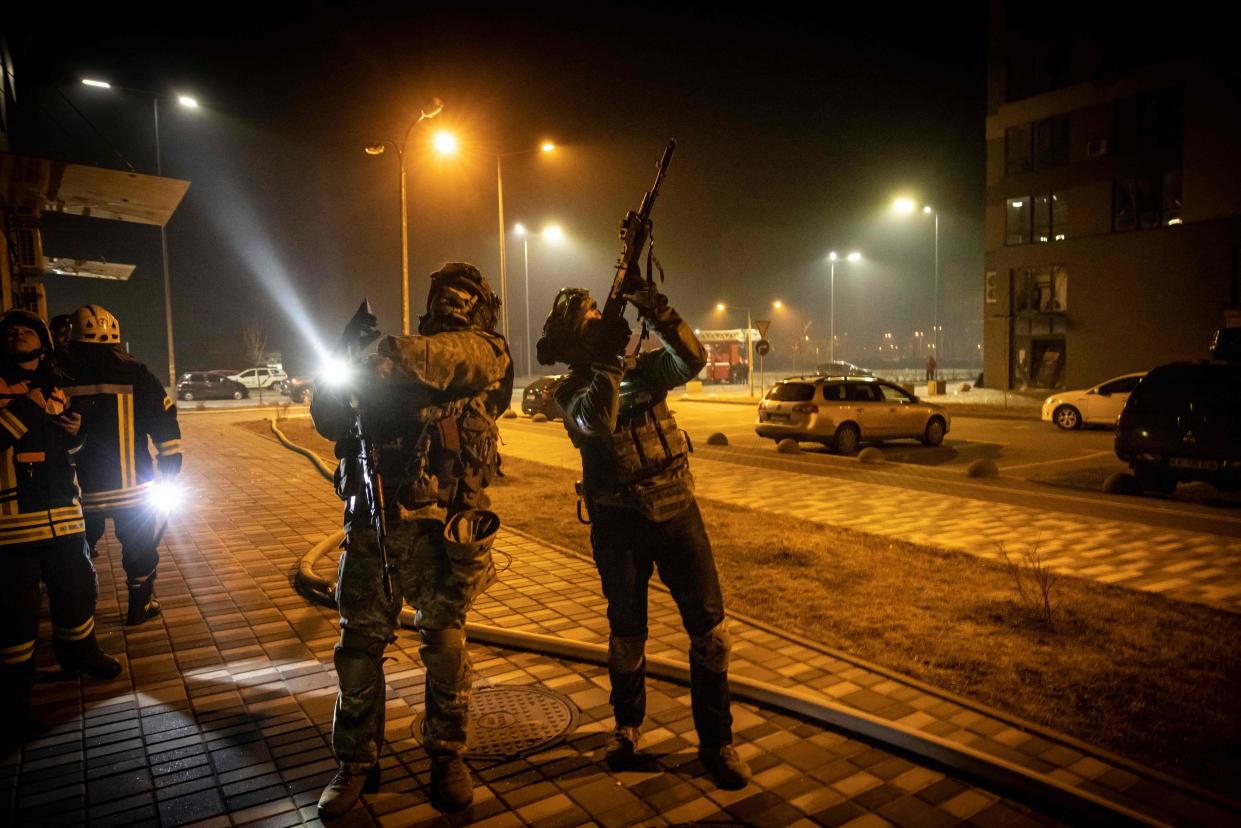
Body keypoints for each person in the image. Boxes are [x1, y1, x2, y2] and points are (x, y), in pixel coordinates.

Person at [312, 263, 513, 817]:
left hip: (442, 535)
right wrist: (342, 358)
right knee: (357, 654)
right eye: (444, 291)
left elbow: (450, 360)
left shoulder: (486, 352)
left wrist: (377, 360)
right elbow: (328, 418)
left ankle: (447, 755)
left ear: (481, 307)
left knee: (445, 651)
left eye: (466, 293)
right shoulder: (392, 358)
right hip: (375, 528)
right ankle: (355, 761)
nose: (453, 299)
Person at [535, 285, 752, 790]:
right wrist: (606, 361)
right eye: (587, 321)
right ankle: (627, 728)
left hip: (678, 510)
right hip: (618, 524)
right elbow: (597, 419)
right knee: (627, 634)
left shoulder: (645, 370)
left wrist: (657, 310)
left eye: (599, 315)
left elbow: (692, 359)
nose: (597, 322)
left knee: (712, 634)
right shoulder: (570, 392)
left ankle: (717, 741)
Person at [0, 310, 121, 734]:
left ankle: (79, 652)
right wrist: (32, 403)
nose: (17, 334)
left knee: (77, 588)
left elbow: (70, 445)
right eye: (10, 330)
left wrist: (76, 433)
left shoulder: (56, 387)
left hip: (64, 515)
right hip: (11, 521)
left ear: (42, 342)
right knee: (15, 611)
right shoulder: (24, 389)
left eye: (27, 329)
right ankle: (13, 697)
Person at [62, 305, 182, 626]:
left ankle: (82, 607)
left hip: (77, 493)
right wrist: (170, 466)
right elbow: (165, 423)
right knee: (140, 546)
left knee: (77, 552)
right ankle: (140, 606)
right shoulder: (137, 373)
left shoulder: (59, 374)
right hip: (134, 488)